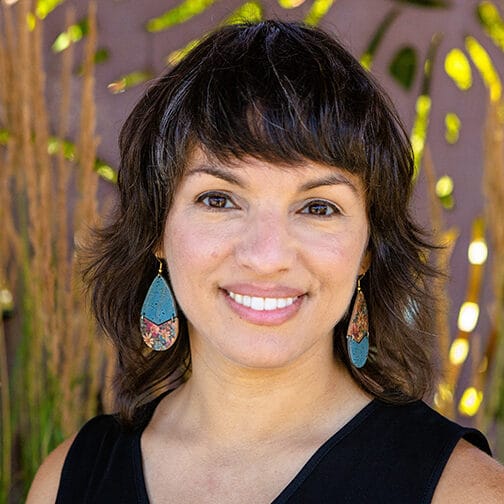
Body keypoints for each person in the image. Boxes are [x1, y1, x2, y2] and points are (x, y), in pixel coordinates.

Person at [27, 20, 504, 503]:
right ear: (156, 231)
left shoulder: (466, 491)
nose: (267, 256)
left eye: (318, 207)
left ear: (366, 250)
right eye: (219, 200)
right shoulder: (67, 479)